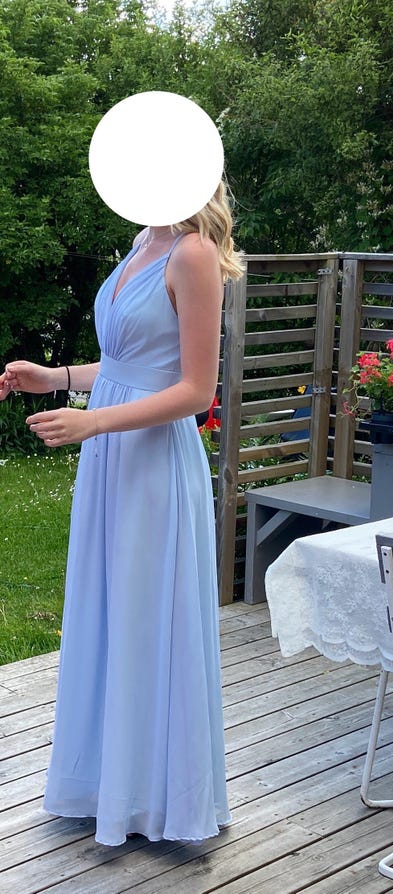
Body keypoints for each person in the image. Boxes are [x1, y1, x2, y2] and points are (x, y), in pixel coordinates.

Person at [0, 180, 244, 847]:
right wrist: (54, 378)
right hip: (112, 459)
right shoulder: (143, 242)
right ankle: (110, 785)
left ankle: (157, 801)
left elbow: (195, 390)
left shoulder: (193, 253)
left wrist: (94, 422)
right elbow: (127, 363)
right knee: (109, 612)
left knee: (145, 615)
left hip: (153, 463)